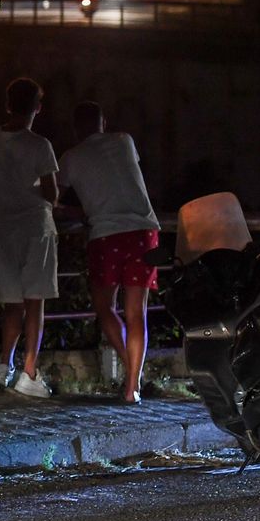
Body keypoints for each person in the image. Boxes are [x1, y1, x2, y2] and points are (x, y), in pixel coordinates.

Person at [57, 102, 160, 404]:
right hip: (143, 231)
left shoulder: (70, 158)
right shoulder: (124, 140)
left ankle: (131, 372)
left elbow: (52, 202)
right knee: (136, 312)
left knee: (105, 307)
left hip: (105, 234)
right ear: (103, 121)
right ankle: (133, 386)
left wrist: (81, 210)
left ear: (76, 127)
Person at [0, 77, 60, 398]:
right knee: (35, 302)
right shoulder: (39, 145)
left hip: (2, 230)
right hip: (36, 228)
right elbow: (51, 193)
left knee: (12, 304)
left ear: (8, 104)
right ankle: (29, 372)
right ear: (37, 107)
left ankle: (2, 367)